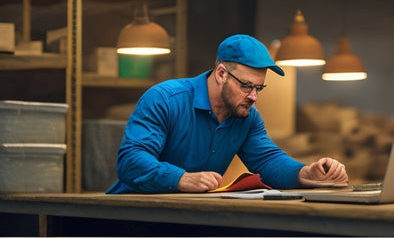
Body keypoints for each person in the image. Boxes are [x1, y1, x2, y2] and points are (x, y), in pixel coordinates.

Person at [106, 34, 349, 193]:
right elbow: (130, 161)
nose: (253, 96)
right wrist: (181, 178)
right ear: (221, 73)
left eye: (259, 88)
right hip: (128, 215)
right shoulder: (165, 99)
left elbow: (268, 160)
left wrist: (305, 173)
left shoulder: (247, 116)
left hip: (187, 216)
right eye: (246, 86)